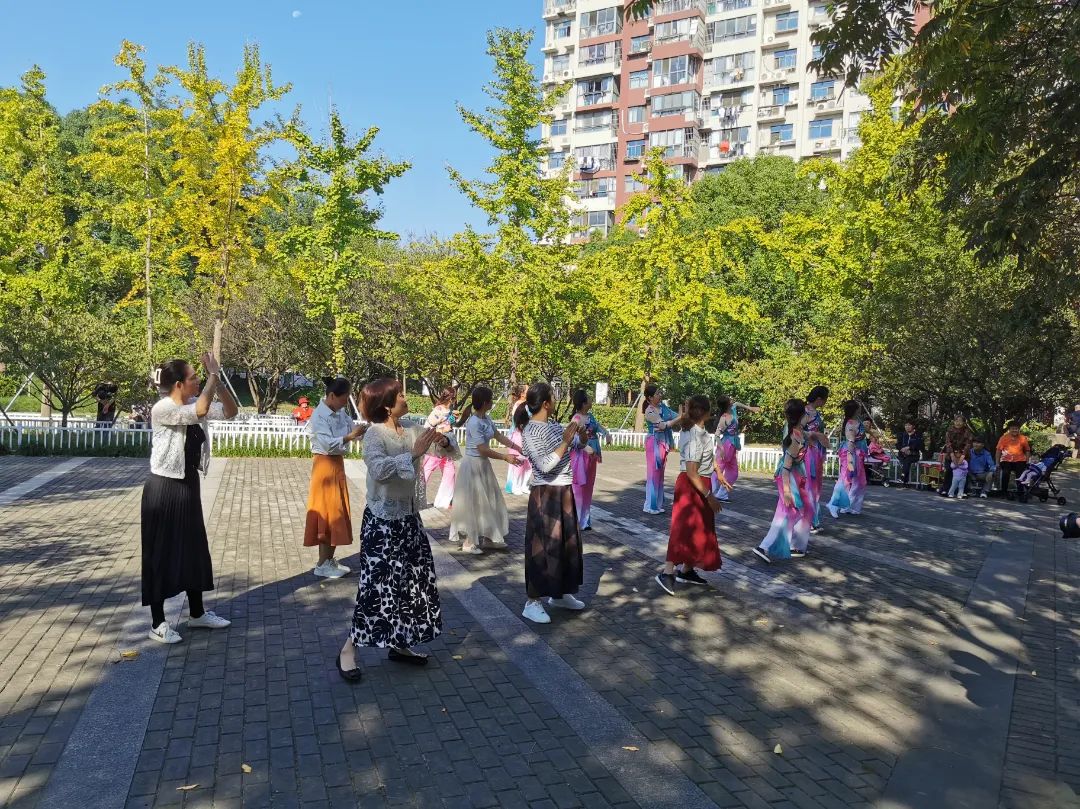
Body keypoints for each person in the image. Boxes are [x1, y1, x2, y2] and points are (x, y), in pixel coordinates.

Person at [337, 379, 457, 681]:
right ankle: (348, 649)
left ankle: (400, 644)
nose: (406, 397)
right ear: (388, 405)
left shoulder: (411, 429)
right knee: (376, 587)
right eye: (401, 394)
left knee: (412, 583)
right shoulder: (375, 434)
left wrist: (443, 442)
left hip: (409, 518)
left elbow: (450, 452)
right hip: (382, 522)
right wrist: (415, 453)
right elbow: (380, 471)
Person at [142, 353, 239, 644]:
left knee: (194, 548)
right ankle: (158, 623)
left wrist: (217, 380)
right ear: (178, 384)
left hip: (187, 485)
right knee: (160, 552)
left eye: (199, 376)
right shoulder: (163, 408)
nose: (197, 380)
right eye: (193, 377)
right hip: (163, 489)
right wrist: (210, 379)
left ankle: (196, 614)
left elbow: (231, 411)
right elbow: (200, 410)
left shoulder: (191, 403)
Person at [516, 383, 587, 625]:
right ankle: (532, 601)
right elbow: (545, 464)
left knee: (566, 544)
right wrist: (566, 442)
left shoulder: (555, 426)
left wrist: (580, 438)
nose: (556, 400)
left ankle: (560, 593)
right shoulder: (530, 431)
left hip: (563, 489)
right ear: (545, 403)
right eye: (553, 397)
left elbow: (574, 448)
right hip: (545, 492)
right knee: (542, 547)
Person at [655, 395, 726, 595]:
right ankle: (667, 572)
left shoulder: (698, 432)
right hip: (692, 485)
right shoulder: (694, 434)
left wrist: (717, 471)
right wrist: (709, 495)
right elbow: (692, 471)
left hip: (699, 483)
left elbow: (706, 457)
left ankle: (686, 569)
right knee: (683, 528)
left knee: (699, 528)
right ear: (703, 411)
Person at [305, 376, 367, 579]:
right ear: (332, 395)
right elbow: (327, 444)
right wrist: (350, 436)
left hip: (337, 465)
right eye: (343, 398)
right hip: (324, 465)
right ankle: (322, 563)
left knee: (337, 513)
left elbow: (352, 430)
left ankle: (329, 560)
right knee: (326, 513)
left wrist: (362, 431)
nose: (345, 402)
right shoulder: (318, 416)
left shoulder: (340, 412)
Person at [449, 385, 520, 554]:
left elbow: (498, 436)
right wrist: (505, 457)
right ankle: (469, 542)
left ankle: (489, 537)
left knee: (491, 500)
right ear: (485, 402)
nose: (492, 403)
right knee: (473, 503)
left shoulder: (486, 419)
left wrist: (518, 448)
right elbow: (482, 449)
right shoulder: (474, 422)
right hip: (473, 466)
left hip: (483, 465)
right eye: (491, 400)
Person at [754, 399, 813, 563]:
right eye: (806, 413)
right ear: (801, 416)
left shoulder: (799, 432)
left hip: (795, 476)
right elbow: (786, 468)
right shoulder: (795, 437)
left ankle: (792, 545)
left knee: (802, 510)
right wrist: (787, 492)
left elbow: (809, 437)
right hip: (789, 478)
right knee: (788, 513)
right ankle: (765, 546)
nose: (809, 416)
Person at [569, 389, 610, 531]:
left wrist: (607, 433)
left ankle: (585, 520)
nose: (592, 400)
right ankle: (576, 519)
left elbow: (598, 426)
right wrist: (585, 447)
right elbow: (572, 438)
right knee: (579, 486)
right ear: (584, 402)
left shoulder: (590, 416)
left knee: (589, 486)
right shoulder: (576, 418)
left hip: (593, 455)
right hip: (581, 455)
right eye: (589, 398)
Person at [709, 396, 762, 501]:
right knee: (717, 470)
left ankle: (721, 494)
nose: (732, 400)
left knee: (733, 472)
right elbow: (716, 435)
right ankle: (710, 492)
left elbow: (737, 403)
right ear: (727, 404)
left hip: (732, 445)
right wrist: (722, 449)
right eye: (730, 399)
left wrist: (750, 408)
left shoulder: (732, 409)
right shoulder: (724, 417)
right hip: (726, 446)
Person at [827, 400, 867, 518]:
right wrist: (850, 459)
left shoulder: (857, 421)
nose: (860, 409)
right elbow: (850, 442)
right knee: (846, 478)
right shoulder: (850, 424)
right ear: (855, 410)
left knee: (859, 481)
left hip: (857, 454)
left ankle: (851, 506)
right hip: (851, 454)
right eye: (858, 408)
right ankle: (833, 504)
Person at [643, 384, 678, 514]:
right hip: (654, 442)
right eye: (657, 394)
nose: (660, 395)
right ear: (650, 397)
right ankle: (649, 505)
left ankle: (657, 504)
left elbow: (675, 416)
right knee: (653, 474)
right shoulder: (649, 411)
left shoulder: (663, 407)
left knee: (660, 474)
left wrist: (684, 415)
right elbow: (662, 425)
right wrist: (680, 418)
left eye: (659, 393)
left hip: (663, 442)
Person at [422, 388, 458, 510]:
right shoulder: (438, 410)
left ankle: (444, 501)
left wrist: (452, 421)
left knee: (450, 471)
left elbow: (447, 424)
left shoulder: (449, 411)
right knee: (427, 470)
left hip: (447, 444)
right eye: (455, 397)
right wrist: (443, 430)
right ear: (451, 398)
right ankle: (417, 499)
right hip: (436, 444)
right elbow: (427, 427)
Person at [802, 386, 830, 533]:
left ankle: (813, 519)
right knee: (808, 487)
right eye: (825, 399)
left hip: (817, 452)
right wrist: (814, 435)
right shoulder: (804, 411)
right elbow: (798, 431)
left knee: (816, 487)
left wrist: (823, 450)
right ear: (819, 399)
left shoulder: (816, 413)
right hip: (806, 453)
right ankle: (808, 520)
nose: (825, 402)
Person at [504, 385, 533, 496]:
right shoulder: (518, 405)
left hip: (527, 434)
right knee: (518, 461)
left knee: (528, 462)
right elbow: (518, 420)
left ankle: (524, 484)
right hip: (518, 435)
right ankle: (514, 485)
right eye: (527, 390)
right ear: (522, 394)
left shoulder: (529, 405)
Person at [938, 415, 974, 496]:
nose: (958, 423)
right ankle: (945, 489)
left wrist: (962, 456)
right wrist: (952, 455)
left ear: (964, 423)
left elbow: (968, 444)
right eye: (956, 421)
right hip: (951, 454)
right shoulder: (949, 431)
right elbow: (948, 443)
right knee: (949, 470)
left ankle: (964, 491)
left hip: (964, 455)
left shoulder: (968, 432)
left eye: (960, 421)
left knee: (964, 472)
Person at [995, 421, 1032, 498]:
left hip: (1020, 460)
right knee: (1006, 473)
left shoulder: (1023, 438)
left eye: (1016, 429)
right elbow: (998, 451)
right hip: (1006, 460)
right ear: (1009, 429)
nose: (1015, 430)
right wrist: (997, 463)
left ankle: (1020, 492)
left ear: (1019, 429)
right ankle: (1003, 492)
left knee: (1020, 474)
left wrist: (1028, 461)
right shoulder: (1003, 438)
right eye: (1013, 429)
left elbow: (1027, 450)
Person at [896, 421, 924, 486]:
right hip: (903, 455)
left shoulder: (917, 435)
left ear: (913, 426)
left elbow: (920, 445)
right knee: (906, 462)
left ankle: (903, 478)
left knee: (907, 461)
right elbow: (897, 444)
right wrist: (902, 449)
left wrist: (909, 448)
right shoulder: (902, 435)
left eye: (909, 425)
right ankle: (905, 482)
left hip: (914, 455)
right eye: (906, 425)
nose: (907, 427)